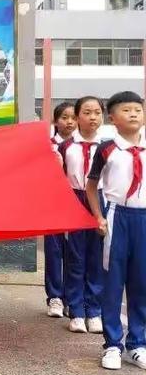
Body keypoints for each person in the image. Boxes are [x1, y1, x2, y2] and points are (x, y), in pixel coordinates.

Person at [86, 91, 146, 370]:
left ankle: (137, 343)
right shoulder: (107, 148)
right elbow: (91, 184)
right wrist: (98, 216)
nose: (133, 114)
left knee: (141, 282)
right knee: (113, 282)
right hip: (116, 217)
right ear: (113, 118)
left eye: (138, 109)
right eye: (126, 110)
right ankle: (112, 344)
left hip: (143, 219)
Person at [58, 96, 105, 334]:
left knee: (96, 259)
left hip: (100, 201)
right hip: (74, 199)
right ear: (77, 118)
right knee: (76, 259)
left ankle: (94, 311)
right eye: (87, 112)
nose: (93, 117)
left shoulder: (108, 147)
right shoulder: (66, 147)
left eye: (97, 112)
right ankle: (76, 311)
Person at [45, 102, 77, 317]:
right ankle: (55, 297)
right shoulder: (47, 145)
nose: (69, 122)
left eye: (73, 118)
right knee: (54, 251)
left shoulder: (85, 145)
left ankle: (73, 298)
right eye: (64, 117)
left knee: (76, 253)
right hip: (53, 204)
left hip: (78, 203)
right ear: (56, 121)